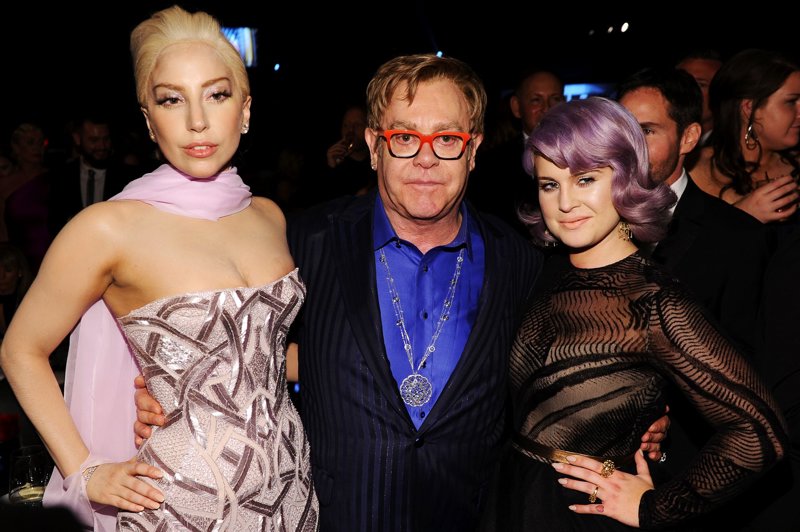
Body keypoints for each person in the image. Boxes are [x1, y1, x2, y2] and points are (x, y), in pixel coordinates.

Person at [135, 53, 668, 532]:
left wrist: (641, 407)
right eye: (405, 137)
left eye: (447, 139)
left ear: (474, 150)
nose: (425, 159)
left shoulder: (523, 261)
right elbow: (234, 347)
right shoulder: (301, 242)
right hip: (336, 516)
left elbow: (576, 360)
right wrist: (168, 397)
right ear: (373, 146)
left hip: (475, 518)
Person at [0, 6, 318, 531]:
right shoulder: (108, 228)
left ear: (245, 109)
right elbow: (20, 349)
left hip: (292, 492)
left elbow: (261, 360)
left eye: (216, 95)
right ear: (149, 120)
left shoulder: (269, 216)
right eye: (172, 99)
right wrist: (85, 469)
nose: (197, 121)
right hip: (179, 506)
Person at [479, 97, 787, 531]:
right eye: (549, 184)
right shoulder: (545, 270)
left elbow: (759, 434)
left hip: (581, 513)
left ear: (626, 179)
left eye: (585, 179)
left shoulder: (655, 302)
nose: (565, 202)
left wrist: (655, 508)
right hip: (511, 495)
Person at [691, 49, 800, 228]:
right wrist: (741, 215)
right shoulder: (696, 170)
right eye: (791, 102)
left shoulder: (795, 165)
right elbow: (674, 243)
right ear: (749, 108)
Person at [47, 113, 138, 235]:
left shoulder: (127, 175)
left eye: (106, 139)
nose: (102, 146)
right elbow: (54, 222)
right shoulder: (61, 176)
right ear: (77, 139)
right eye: (94, 140)